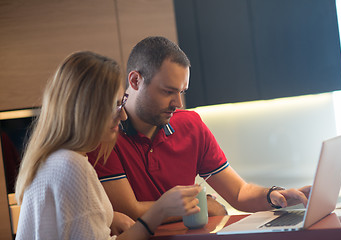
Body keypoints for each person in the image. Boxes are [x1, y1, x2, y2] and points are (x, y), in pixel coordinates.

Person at [87, 36, 311, 222]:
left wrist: (275, 196)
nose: (178, 104)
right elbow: (131, 212)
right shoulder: (106, 136)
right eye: (168, 92)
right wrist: (202, 205)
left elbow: (239, 193)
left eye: (181, 92)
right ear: (135, 81)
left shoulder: (191, 125)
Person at [15, 51, 202, 240]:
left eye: (122, 104)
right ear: (86, 108)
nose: (123, 116)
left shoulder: (50, 159)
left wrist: (108, 218)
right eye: (115, 105)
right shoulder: (73, 166)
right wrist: (160, 210)